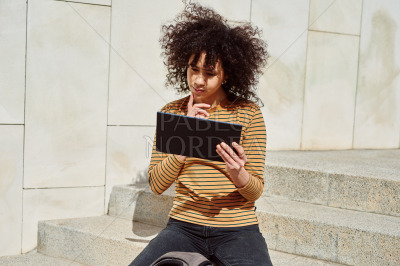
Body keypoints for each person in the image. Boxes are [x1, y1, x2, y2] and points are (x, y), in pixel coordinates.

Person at [130, 2, 271, 265]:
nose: (198, 80)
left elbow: (255, 192)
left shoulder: (248, 113)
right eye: (193, 69)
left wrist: (238, 173)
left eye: (209, 73)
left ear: (226, 75)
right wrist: (185, 140)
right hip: (184, 226)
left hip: (237, 229)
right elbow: (157, 185)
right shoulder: (173, 112)